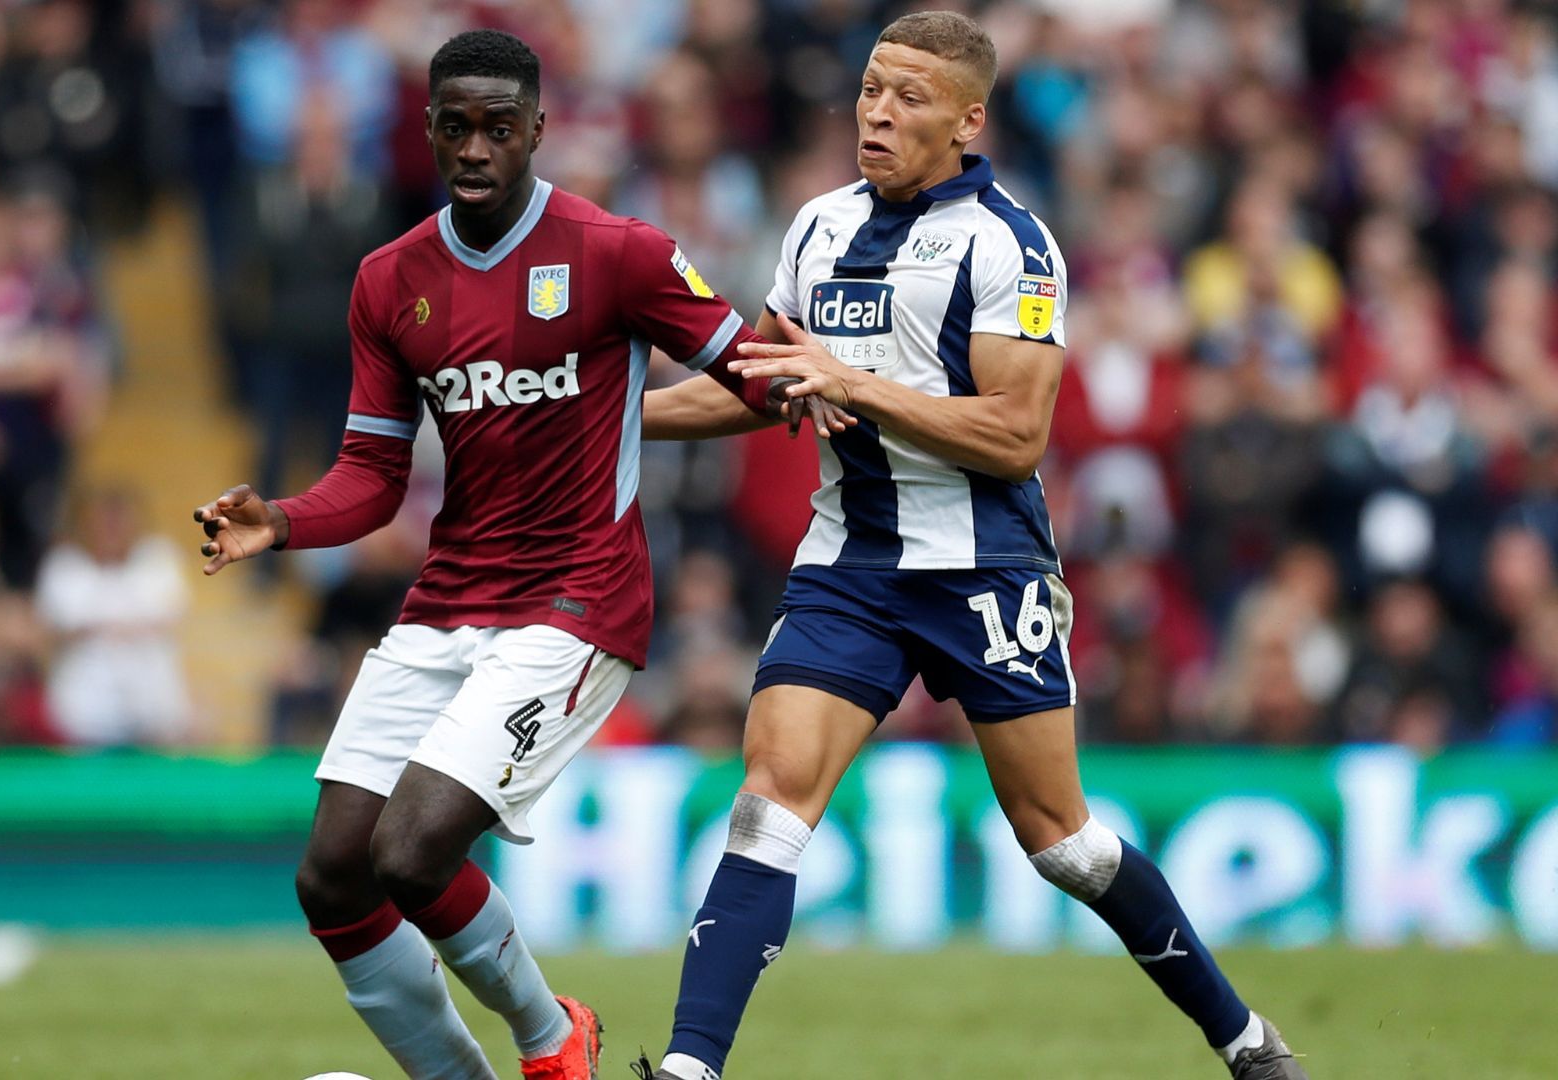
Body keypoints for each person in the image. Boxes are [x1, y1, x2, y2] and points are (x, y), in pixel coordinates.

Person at [633, 13, 1307, 1080]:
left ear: (966, 116)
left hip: (984, 568)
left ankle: (1246, 1040)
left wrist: (854, 382)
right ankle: (688, 1068)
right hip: (851, 563)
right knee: (770, 798)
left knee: (1064, 843)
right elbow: (762, 389)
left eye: (907, 94)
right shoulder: (814, 228)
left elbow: (1016, 432)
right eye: (868, 89)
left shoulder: (1011, 243)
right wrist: (603, 420)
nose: (879, 111)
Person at [189, 29, 835, 1080]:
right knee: (333, 879)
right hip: (447, 602)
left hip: (576, 607)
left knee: (412, 852)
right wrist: (286, 520)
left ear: (538, 129)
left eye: (499, 126)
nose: (476, 147)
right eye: (455, 126)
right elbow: (373, 477)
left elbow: (757, 374)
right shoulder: (390, 281)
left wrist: (826, 379)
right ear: (430, 130)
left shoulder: (615, 251)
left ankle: (552, 1042)